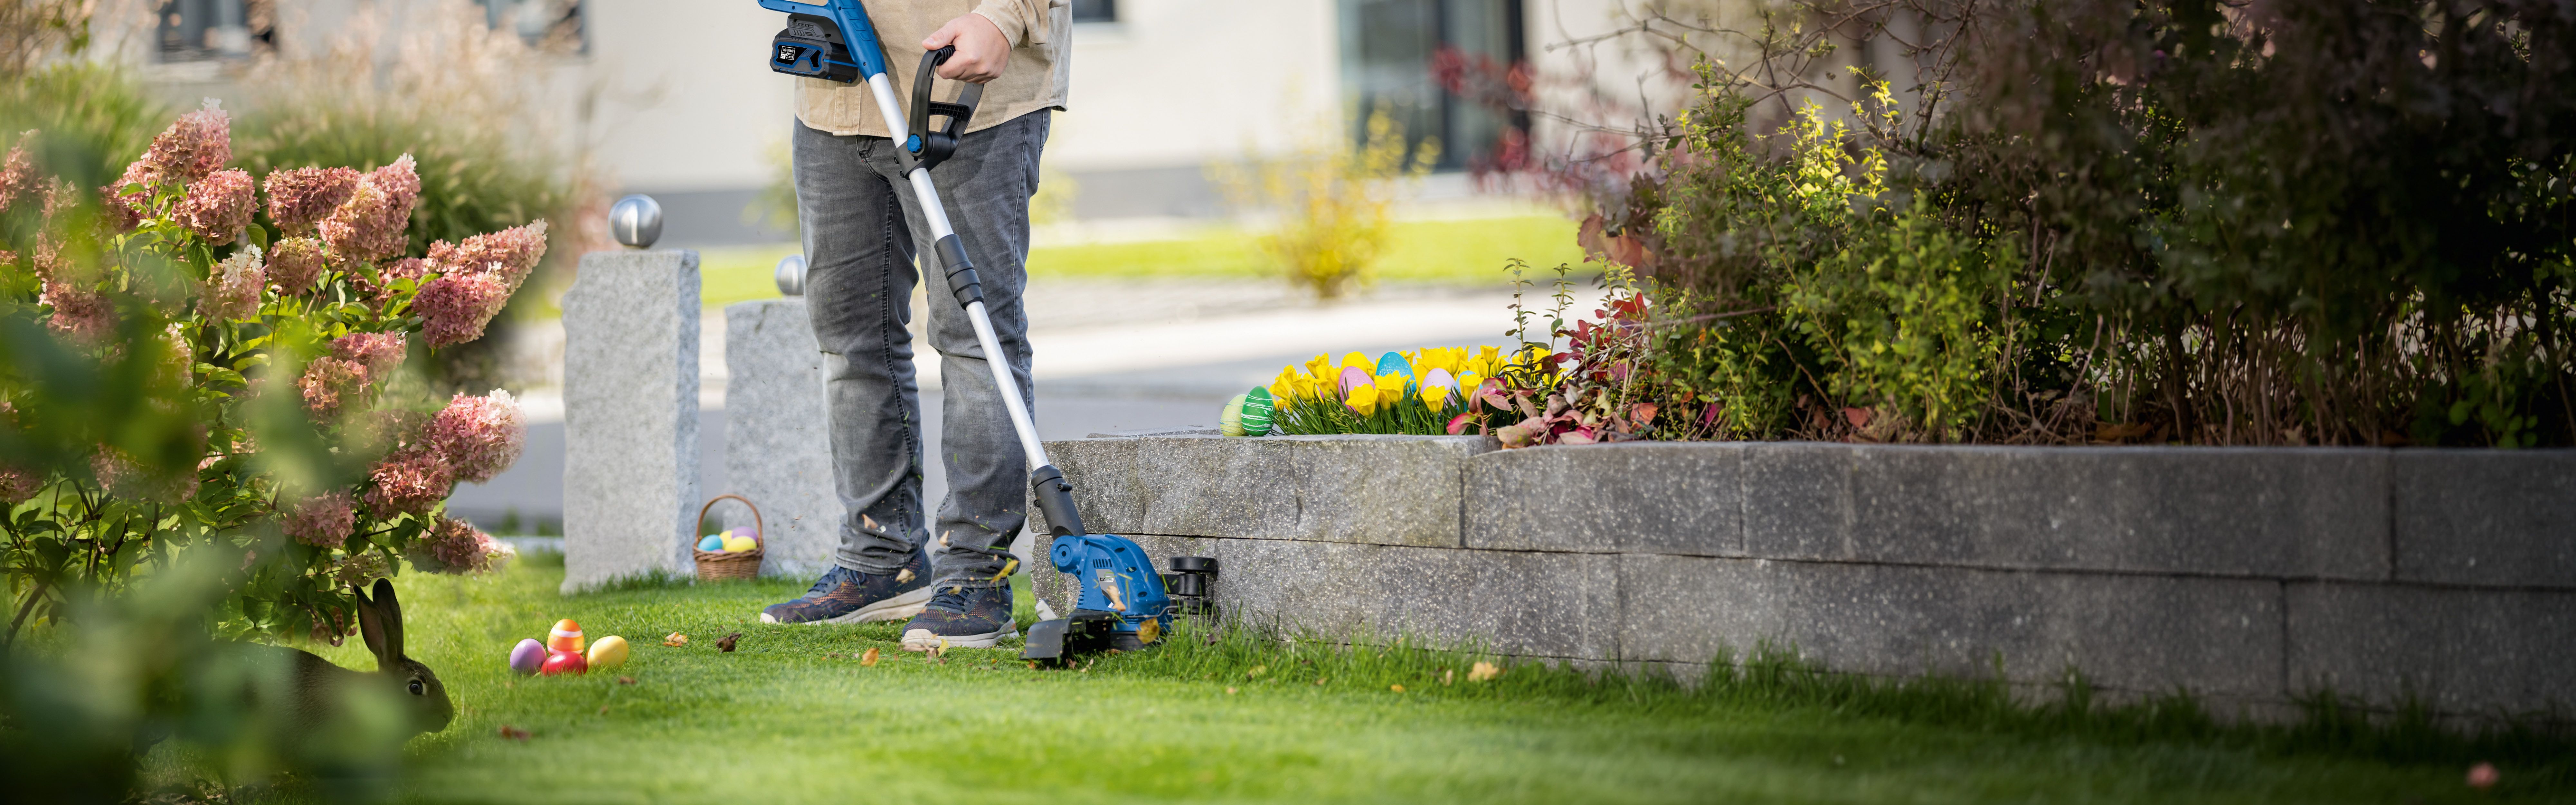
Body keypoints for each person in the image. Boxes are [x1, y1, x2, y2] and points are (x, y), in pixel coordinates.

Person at [759, 0, 1069, 652]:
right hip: (836, 84)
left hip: (966, 90)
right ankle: (880, 560)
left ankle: (976, 574)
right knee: (849, 337)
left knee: (973, 335)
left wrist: (1006, 17)